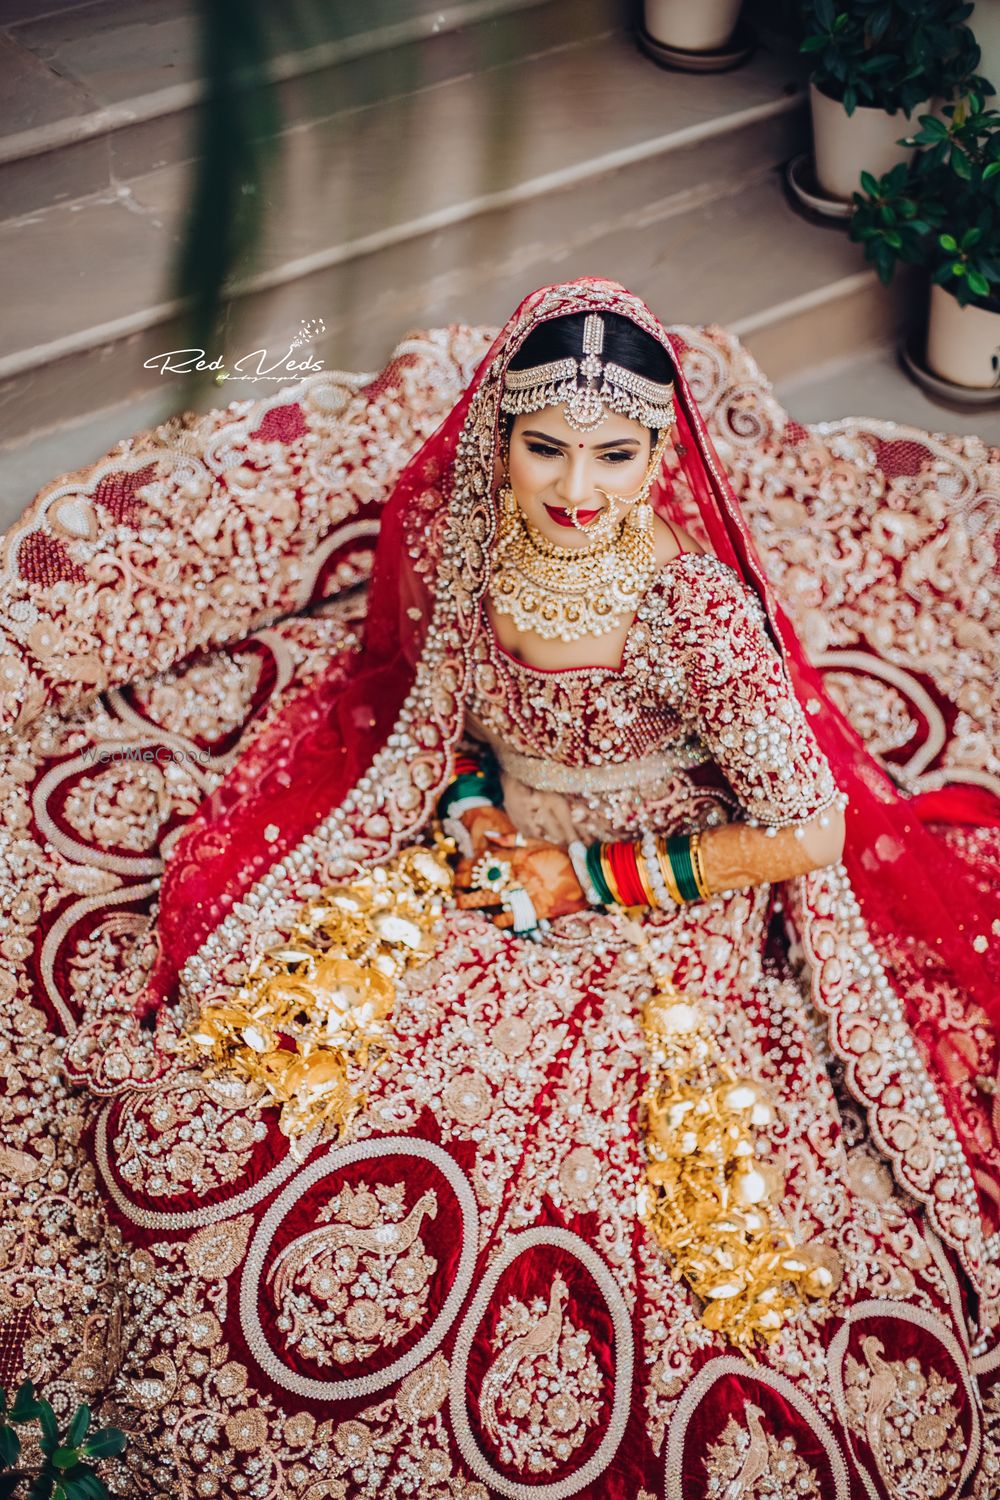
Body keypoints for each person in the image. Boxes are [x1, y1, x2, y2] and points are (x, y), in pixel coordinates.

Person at [66, 279, 1000, 1497]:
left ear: (662, 451)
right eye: (546, 446)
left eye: (616, 454)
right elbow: (447, 712)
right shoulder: (478, 533)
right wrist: (471, 808)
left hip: (659, 884)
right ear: (498, 437)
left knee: (626, 1170)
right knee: (287, 1069)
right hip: (505, 845)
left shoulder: (694, 618)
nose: (576, 490)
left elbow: (813, 832)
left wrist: (593, 874)